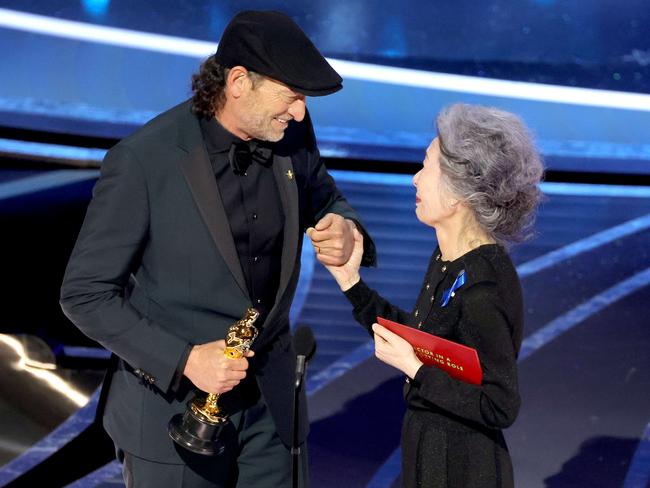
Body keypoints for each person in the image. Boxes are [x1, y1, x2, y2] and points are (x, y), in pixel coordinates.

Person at [60, 10, 376, 488]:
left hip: (271, 413)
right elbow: (85, 293)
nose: (299, 113)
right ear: (237, 82)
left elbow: (325, 196)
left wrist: (347, 228)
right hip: (173, 417)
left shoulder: (290, 136)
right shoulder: (144, 161)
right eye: (290, 97)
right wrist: (186, 360)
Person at [313, 103, 543, 488]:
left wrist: (415, 369)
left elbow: (500, 404)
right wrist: (351, 283)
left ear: (457, 192)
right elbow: (425, 340)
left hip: (464, 471)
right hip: (428, 456)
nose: (415, 180)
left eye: (426, 166)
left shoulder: (486, 287)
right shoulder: (448, 258)